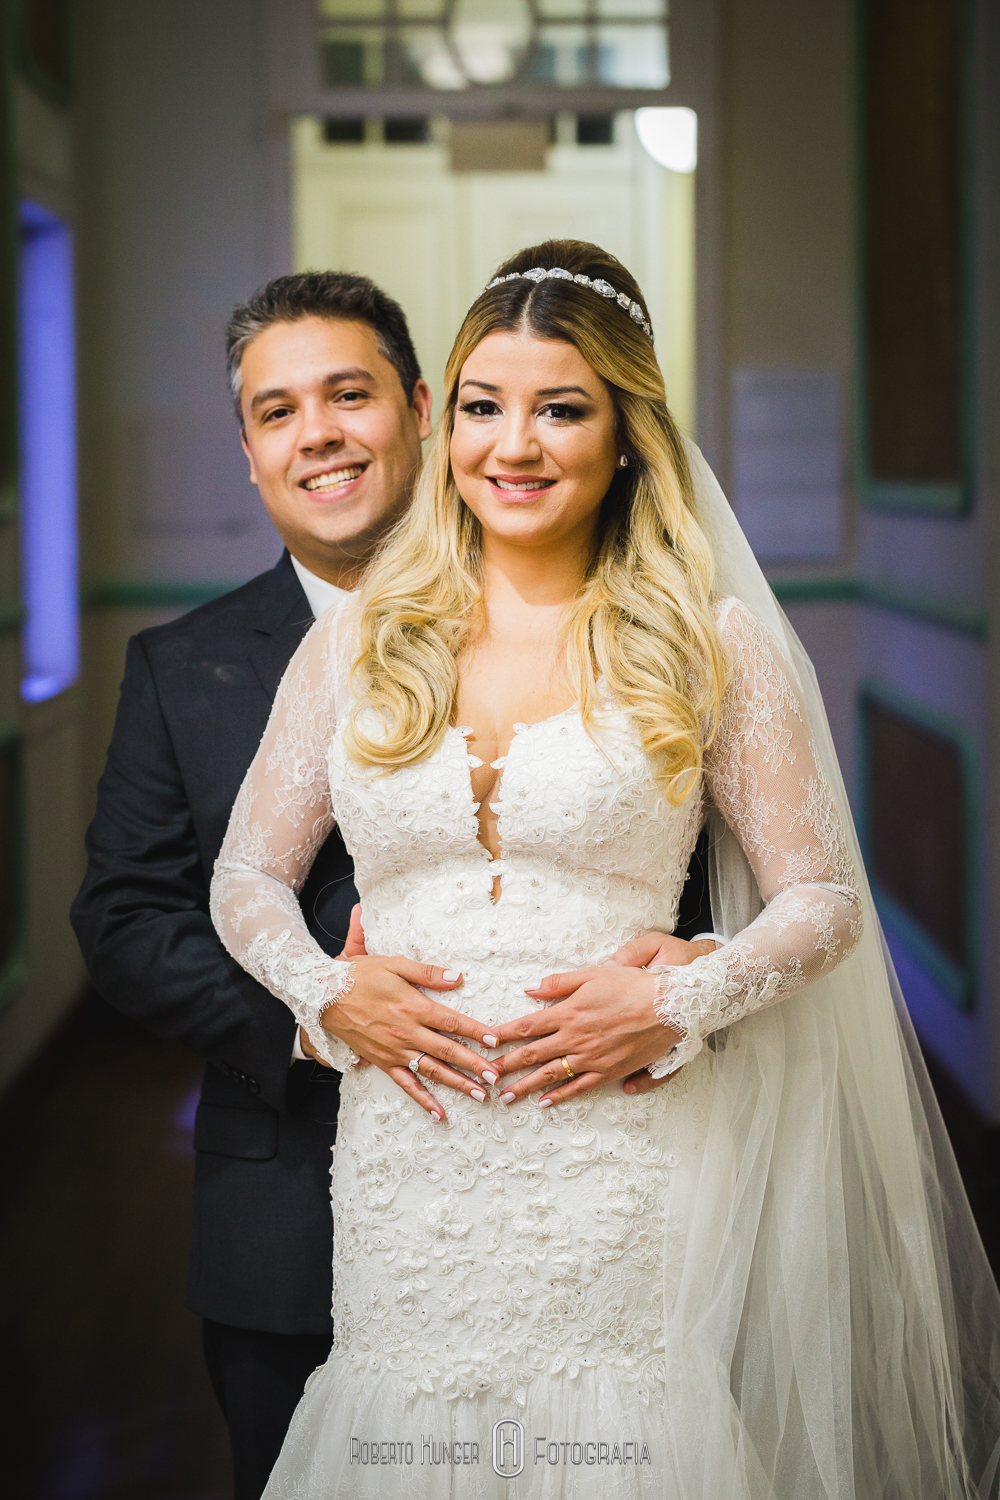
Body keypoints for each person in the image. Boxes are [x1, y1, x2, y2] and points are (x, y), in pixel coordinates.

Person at [211, 239, 1000, 1499]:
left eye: (560, 408)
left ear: (625, 433)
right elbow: (247, 872)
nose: (511, 445)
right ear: (447, 419)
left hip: (615, 1163)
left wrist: (680, 997)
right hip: (405, 1167)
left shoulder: (705, 641)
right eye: (482, 406)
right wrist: (322, 993)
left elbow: (822, 899)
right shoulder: (361, 640)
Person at [71, 269, 712, 1500]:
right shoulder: (182, 665)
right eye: (276, 411)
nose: (317, 432)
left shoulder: (648, 628)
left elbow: (713, 867)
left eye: (348, 393)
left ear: (423, 409)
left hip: (589, 1180)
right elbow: (124, 918)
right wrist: (324, 1015)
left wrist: (693, 978)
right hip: (289, 1219)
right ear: (251, 453)